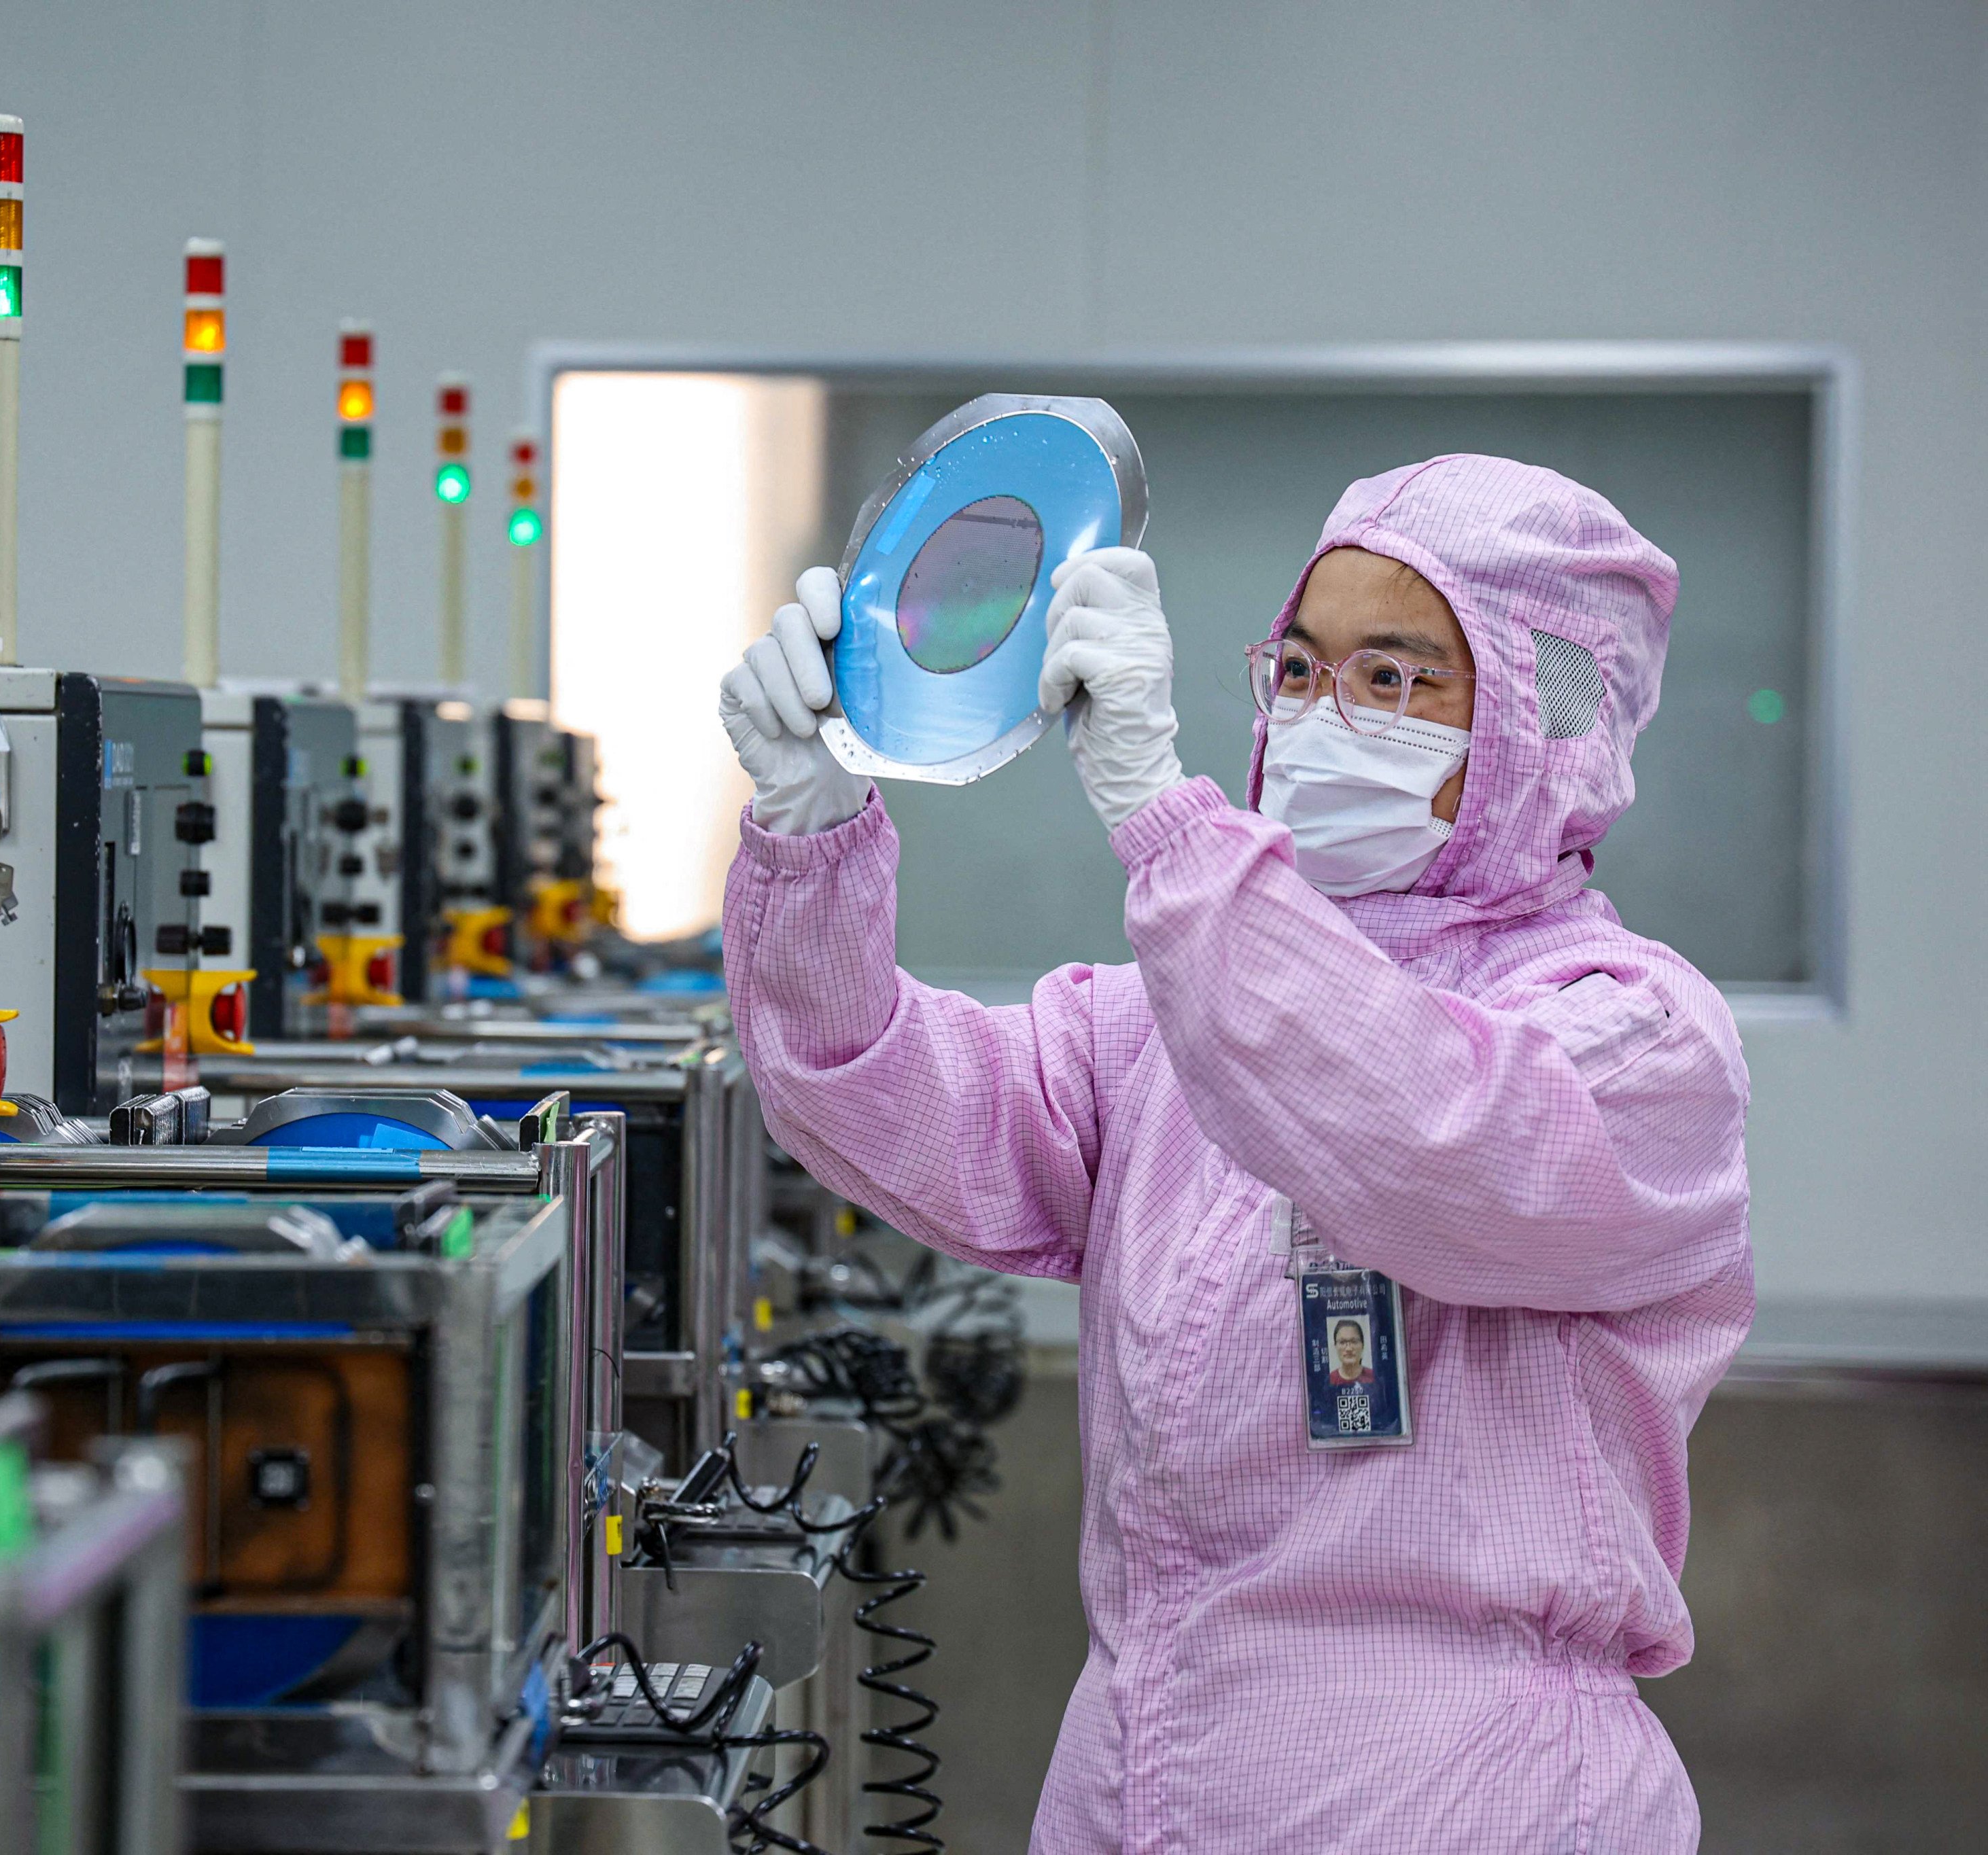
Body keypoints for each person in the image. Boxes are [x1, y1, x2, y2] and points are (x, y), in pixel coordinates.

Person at [716, 455, 1751, 1851]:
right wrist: (812, 821)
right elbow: (868, 1092)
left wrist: (1163, 816)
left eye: (1394, 680)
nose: (1327, 716)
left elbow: (1407, 1124)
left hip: (1464, 1802)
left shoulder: (1630, 1043)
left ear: (1540, 721)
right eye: (1304, 668)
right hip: (1144, 1773)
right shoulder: (1162, 1020)